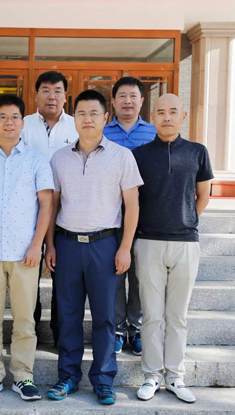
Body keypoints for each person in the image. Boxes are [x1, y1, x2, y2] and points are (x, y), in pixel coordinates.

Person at [45, 90, 142, 406]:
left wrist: (125, 247)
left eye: (94, 113)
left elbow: (132, 205)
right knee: (68, 316)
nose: (88, 119)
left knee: (105, 318)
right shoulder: (59, 158)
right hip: (67, 245)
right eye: (82, 113)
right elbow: (52, 205)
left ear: (105, 117)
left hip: (105, 245)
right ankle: (68, 376)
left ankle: (103, 380)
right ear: (74, 118)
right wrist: (50, 245)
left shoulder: (122, 156)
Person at [0, 95, 53, 401]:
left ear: (22, 123)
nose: (9, 122)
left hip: (25, 253)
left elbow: (46, 205)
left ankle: (23, 375)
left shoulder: (37, 160)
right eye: (2, 117)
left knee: (24, 320)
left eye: (15, 117)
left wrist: (37, 245)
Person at [133, 93, 213, 404]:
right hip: (148, 242)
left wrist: (186, 220)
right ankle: (152, 375)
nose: (167, 117)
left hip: (185, 243)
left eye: (173, 112)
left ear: (183, 116)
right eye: (161, 112)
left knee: (178, 315)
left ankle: (176, 376)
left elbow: (203, 196)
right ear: (152, 117)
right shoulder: (139, 155)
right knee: (152, 315)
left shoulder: (197, 152)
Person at [20, 70, 78, 345]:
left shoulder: (76, 126)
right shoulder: (23, 124)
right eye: (45, 90)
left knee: (62, 276)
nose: (51, 96)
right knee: (28, 274)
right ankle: (29, 329)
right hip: (27, 212)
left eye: (57, 91)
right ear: (36, 95)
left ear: (65, 96)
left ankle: (59, 332)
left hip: (66, 212)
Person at [103, 76, 157, 355]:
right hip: (109, 214)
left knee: (138, 275)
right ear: (113, 101)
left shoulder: (153, 133)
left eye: (133, 96)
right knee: (114, 272)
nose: (127, 101)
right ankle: (116, 328)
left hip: (144, 216)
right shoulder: (102, 132)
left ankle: (135, 327)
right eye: (122, 96)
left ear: (142, 101)